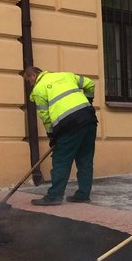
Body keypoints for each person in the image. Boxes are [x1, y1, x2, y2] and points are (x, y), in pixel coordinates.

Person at [22, 66, 98, 205]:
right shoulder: (66, 75)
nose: (30, 84)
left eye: (29, 81)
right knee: (85, 159)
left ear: (33, 75)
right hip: (89, 119)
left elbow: (45, 117)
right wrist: (89, 101)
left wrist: (52, 136)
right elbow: (90, 84)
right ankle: (83, 195)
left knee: (61, 160)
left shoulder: (39, 89)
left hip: (69, 125)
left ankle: (54, 197)